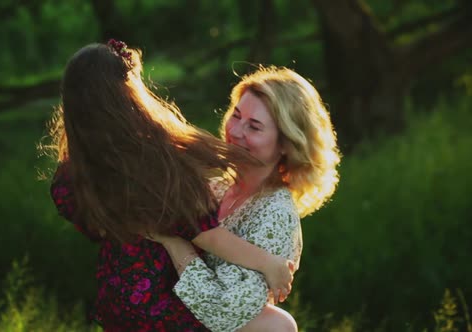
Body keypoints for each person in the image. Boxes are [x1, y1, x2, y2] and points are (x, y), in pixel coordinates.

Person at [47, 40, 295, 331]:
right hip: (161, 301)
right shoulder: (155, 163)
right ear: (131, 97)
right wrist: (269, 263)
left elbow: (95, 228)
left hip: (116, 299)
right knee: (278, 324)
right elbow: (208, 237)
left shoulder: (71, 175)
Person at [152, 66, 341, 331]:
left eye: (254, 126)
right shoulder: (216, 188)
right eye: (236, 115)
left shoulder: (275, 214)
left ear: (286, 145)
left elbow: (223, 311)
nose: (236, 131)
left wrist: (173, 241)